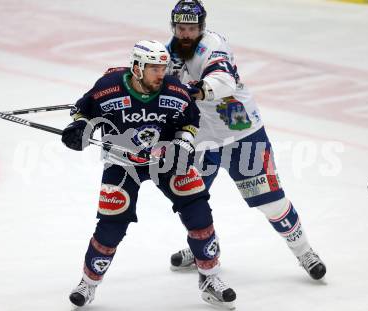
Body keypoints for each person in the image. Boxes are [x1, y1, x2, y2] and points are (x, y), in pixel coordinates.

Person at [61, 40, 236, 309]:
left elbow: (190, 120)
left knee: (198, 211)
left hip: (165, 161)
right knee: (111, 226)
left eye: (163, 68)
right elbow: (84, 110)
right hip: (122, 164)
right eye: (154, 68)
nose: (160, 74)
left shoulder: (175, 91)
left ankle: (210, 279)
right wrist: (79, 128)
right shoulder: (108, 87)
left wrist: (183, 143)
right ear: (137, 67)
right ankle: (88, 283)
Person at [166, 0, 327, 280]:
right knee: (190, 198)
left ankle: (304, 252)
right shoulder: (170, 51)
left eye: (192, 28)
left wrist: (196, 90)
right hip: (201, 134)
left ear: (202, 28)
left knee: (271, 202)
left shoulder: (212, 45)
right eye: (181, 28)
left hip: (239, 128)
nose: (186, 34)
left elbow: (223, 81)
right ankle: (202, 247)